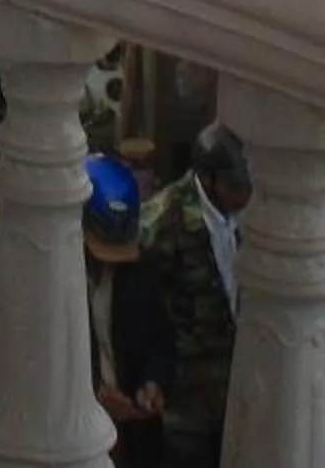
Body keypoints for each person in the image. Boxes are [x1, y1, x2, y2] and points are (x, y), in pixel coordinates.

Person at [140, 122, 251, 466]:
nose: (243, 196)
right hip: (185, 393)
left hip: (235, 385)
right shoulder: (163, 222)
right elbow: (140, 309)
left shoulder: (244, 218)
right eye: (235, 187)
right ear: (207, 179)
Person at [82, 153, 175, 463]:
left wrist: (153, 383)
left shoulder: (141, 271)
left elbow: (160, 338)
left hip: (133, 436)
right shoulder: (53, 280)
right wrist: (93, 394)